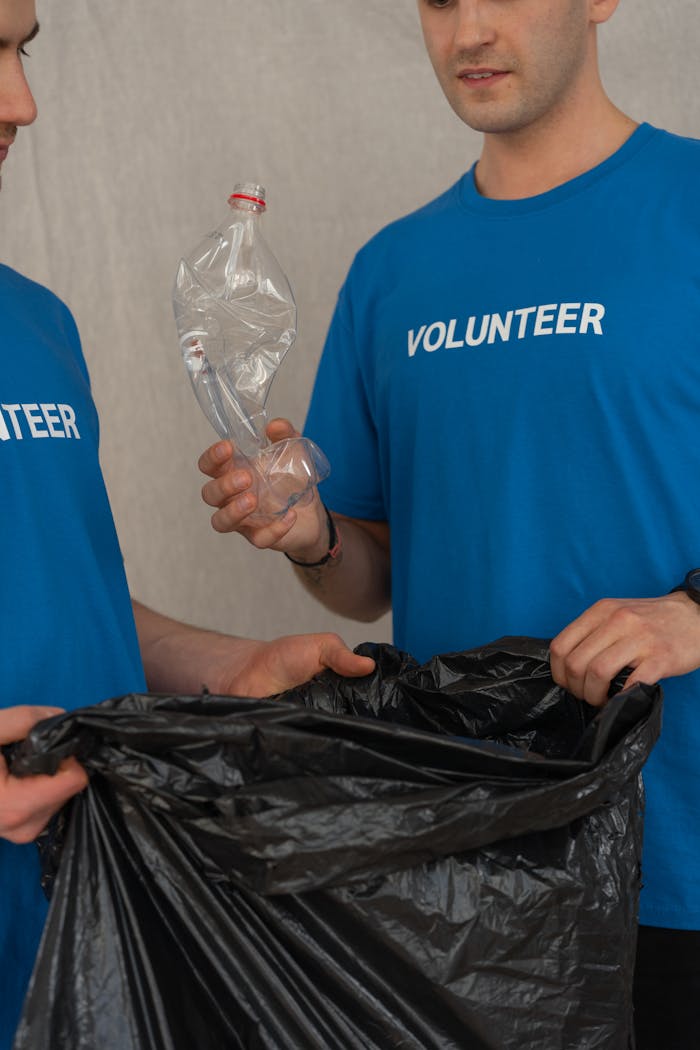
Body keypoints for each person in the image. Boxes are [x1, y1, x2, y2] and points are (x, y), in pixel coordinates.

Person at [198, 1, 700, 1046]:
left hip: (681, 866)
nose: (468, 29)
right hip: (468, 872)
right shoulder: (393, 270)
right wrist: (314, 539)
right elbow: (368, 576)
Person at [0, 3, 375, 1046]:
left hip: (83, 940)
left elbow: (59, 593)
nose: (22, 103)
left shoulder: (36, 324)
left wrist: (231, 666)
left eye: (22, 50)